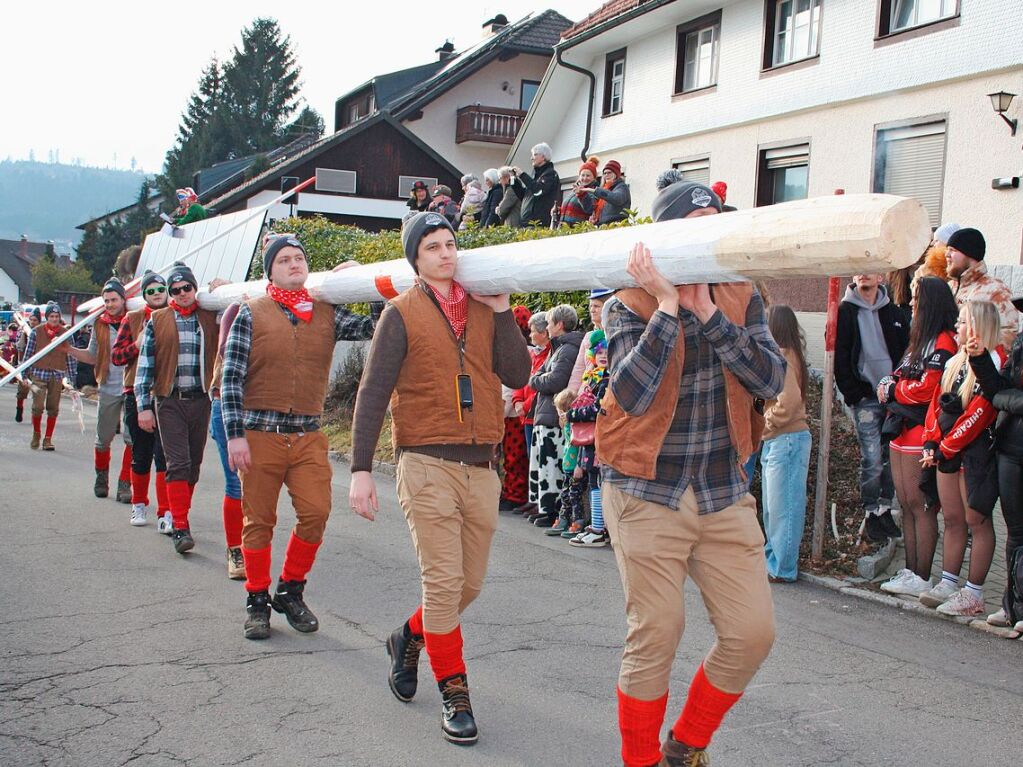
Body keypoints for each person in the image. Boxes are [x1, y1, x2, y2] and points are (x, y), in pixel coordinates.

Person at [595, 178, 785, 767]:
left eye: (714, 219)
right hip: (646, 488)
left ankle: (685, 745)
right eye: (694, 220)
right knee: (656, 632)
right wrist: (671, 308)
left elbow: (771, 381)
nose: (708, 229)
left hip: (724, 489)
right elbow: (630, 391)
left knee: (753, 634)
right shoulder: (626, 300)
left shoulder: (740, 293)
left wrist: (708, 312)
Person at [349, 211, 530, 745]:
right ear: (416, 258)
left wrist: (501, 315)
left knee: (466, 586)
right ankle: (455, 695)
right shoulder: (400, 314)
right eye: (432, 246)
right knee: (444, 584)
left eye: (451, 243)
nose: (446, 253)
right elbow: (372, 392)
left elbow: (519, 375)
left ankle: (409, 635)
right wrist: (360, 469)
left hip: (481, 468)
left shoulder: (481, 308)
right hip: (425, 463)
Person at [221, 235, 375, 638]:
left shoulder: (326, 312)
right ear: (270, 271)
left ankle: (290, 589)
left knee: (316, 513)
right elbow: (231, 379)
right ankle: (257, 600)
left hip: (307, 435)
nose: (294, 264)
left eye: (299, 258)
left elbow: (376, 326)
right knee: (259, 521)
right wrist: (235, 436)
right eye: (284, 260)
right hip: (259, 435)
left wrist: (366, 279)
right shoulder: (250, 313)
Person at [917, 301, 1004, 616]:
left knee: (976, 520)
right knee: (952, 519)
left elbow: (980, 413)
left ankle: (975, 592)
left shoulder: (995, 361)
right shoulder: (955, 362)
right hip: (947, 453)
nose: (958, 326)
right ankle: (949, 581)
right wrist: (930, 441)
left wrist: (947, 446)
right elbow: (935, 406)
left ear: (979, 327)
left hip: (975, 455)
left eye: (964, 321)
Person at [878, 276, 958, 597]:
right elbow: (900, 374)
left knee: (921, 503)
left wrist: (895, 389)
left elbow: (927, 387)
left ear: (930, 304)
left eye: (916, 299)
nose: (911, 305)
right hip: (900, 428)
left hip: (921, 431)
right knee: (906, 505)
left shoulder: (943, 342)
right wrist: (889, 383)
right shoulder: (918, 340)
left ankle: (922, 575)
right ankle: (911, 571)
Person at [134, 263, 220, 555]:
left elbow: (239, 307)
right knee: (178, 462)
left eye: (187, 288)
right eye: (176, 290)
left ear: (195, 288)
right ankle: (180, 525)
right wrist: (143, 407)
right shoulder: (158, 319)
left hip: (201, 399)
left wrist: (223, 285)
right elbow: (144, 368)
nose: (182, 294)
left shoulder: (208, 316)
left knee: (194, 464)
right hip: (169, 399)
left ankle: (181, 513)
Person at [835, 274, 909, 542]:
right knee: (872, 457)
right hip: (865, 397)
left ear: (880, 276)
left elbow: (904, 351)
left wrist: (899, 390)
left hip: (893, 397)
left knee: (890, 459)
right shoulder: (845, 311)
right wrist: (852, 393)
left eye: (869, 269)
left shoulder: (894, 312)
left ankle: (885, 509)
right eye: (858, 269)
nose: (863, 274)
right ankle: (870, 511)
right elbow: (840, 356)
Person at [966, 304, 1023, 631]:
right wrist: (980, 358)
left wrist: (1007, 399)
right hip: (1011, 449)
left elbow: (1005, 397)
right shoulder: (1020, 344)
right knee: (1015, 533)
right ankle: (1013, 607)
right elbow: (997, 390)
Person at [112, 271, 171, 530]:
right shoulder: (133, 318)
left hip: (166, 394)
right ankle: (139, 504)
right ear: (145, 295)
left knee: (165, 455)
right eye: (151, 291)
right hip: (135, 393)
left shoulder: (174, 316)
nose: (157, 294)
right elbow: (116, 357)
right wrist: (136, 345)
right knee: (141, 452)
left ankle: (165, 512)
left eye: (160, 289)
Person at [66, 278, 134, 503]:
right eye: (106, 300)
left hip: (132, 386)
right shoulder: (100, 324)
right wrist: (68, 349)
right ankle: (101, 478)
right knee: (103, 438)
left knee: (132, 439)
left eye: (114, 299)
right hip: (108, 385)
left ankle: (125, 484)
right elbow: (92, 355)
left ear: (123, 299)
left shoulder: (135, 318)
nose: (110, 304)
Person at [760, 305, 812, 582]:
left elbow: (788, 402)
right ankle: (775, 562)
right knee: (774, 507)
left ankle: (782, 567)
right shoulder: (791, 356)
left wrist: (764, 423)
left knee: (783, 508)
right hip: (782, 440)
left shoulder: (782, 357)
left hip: (786, 439)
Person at [526, 304, 582, 527]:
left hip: (553, 415)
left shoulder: (566, 349)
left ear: (559, 324)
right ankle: (547, 508)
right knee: (544, 465)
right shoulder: (557, 348)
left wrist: (536, 380)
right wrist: (539, 378)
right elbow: (539, 375)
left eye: (549, 323)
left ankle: (554, 511)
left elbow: (554, 381)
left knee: (553, 466)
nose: (547, 327)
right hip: (546, 413)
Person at [209, 302, 245, 579]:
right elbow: (224, 348)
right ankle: (236, 550)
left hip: (258, 410)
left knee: (255, 486)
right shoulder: (237, 309)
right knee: (235, 482)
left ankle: (252, 545)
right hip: (225, 405)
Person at [565, 331, 610, 546]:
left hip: (601, 437)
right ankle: (596, 526)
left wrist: (572, 414)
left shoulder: (607, 378)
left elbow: (598, 408)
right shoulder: (593, 376)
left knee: (598, 482)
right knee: (592, 481)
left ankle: (599, 529)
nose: (602, 355)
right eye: (599, 351)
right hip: (590, 439)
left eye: (607, 351)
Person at [946, 227, 1020, 349]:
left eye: (952, 250)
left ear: (969, 253)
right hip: (946, 364)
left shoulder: (995, 290)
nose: (947, 255)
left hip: (974, 363)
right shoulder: (948, 287)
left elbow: (1009, 334)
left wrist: (977, 353)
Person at [509, 311, 551, 516]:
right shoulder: (533, 353)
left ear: (544, 333)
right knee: (531, 457)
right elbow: (522, 377)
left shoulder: (549, 354)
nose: (531, 335)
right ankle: (532, 498)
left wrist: (524, 405)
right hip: (526, 414)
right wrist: (517, 400)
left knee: (538, 458)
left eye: (534, 331)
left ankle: (538, 501)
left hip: (535, 412)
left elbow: (538, 385)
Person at [24, 302, 77, 451]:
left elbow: (70, 356)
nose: (54, 319)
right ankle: (36, 433)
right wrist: (24, 372)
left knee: (53, 407)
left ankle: (48, 439)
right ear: (47, 317)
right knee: (37, 406)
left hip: (57, 373)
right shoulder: (36, 332)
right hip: (39, 373)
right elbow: (29, 353)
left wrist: (72, 378)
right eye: (51, 316)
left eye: (57, 316)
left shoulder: (66, 334)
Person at [499, 306, 533, 512]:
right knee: (514, 455)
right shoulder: (522, 348)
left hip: (513, 410)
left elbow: (509, 384)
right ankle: (512, 491)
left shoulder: (515, 350)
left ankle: (515, 493)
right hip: (513, 407)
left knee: (514, 456)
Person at [552, 388, 586, 536]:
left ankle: (578, 520)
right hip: (567, 465)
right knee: (565, 493)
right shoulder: (566, 425)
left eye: (560, 410)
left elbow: (580, 446)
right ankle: (564, 518)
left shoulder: (576, 426)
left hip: (575, 466)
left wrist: (580, 465)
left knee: (575, 495)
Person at [515, 143, 559, 227]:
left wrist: (522, 175)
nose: (532, 158)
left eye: (535, 155)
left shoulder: (550, 174)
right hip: (526, 223)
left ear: (543, 157)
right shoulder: (535, 176)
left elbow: (538, 191)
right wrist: (513, 182)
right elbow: (524, 196)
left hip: (538, 224)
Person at [581, 159, 631, 225]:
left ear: (616, 174)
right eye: (605, 173)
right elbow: (590, 209)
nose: (606, 175)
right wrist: (595, 220)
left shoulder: (622, 187)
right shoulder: (604, 189)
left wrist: (595, 191)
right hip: (604, 227)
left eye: (609, 172)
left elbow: (617, 198)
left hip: (616, 226)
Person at [14, 308, 40, 422]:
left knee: (37, 393)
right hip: (25, 365)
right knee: (22, 391)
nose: (33, 322)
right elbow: (19, 348)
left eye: (35, 320)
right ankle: (19, 410)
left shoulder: (41, 332)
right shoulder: (24, 331)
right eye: (31, 320)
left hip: (38, 367)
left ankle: (34, 416)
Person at [559, 157, 599, 226]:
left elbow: (590, 209)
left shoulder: (593, 191)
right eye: (582, 175)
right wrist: (559, 211)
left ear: (594, 178)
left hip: (577, 231)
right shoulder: (574, 191)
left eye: (588, 176)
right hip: (564, 229)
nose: (585, 178)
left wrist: (582, 195)